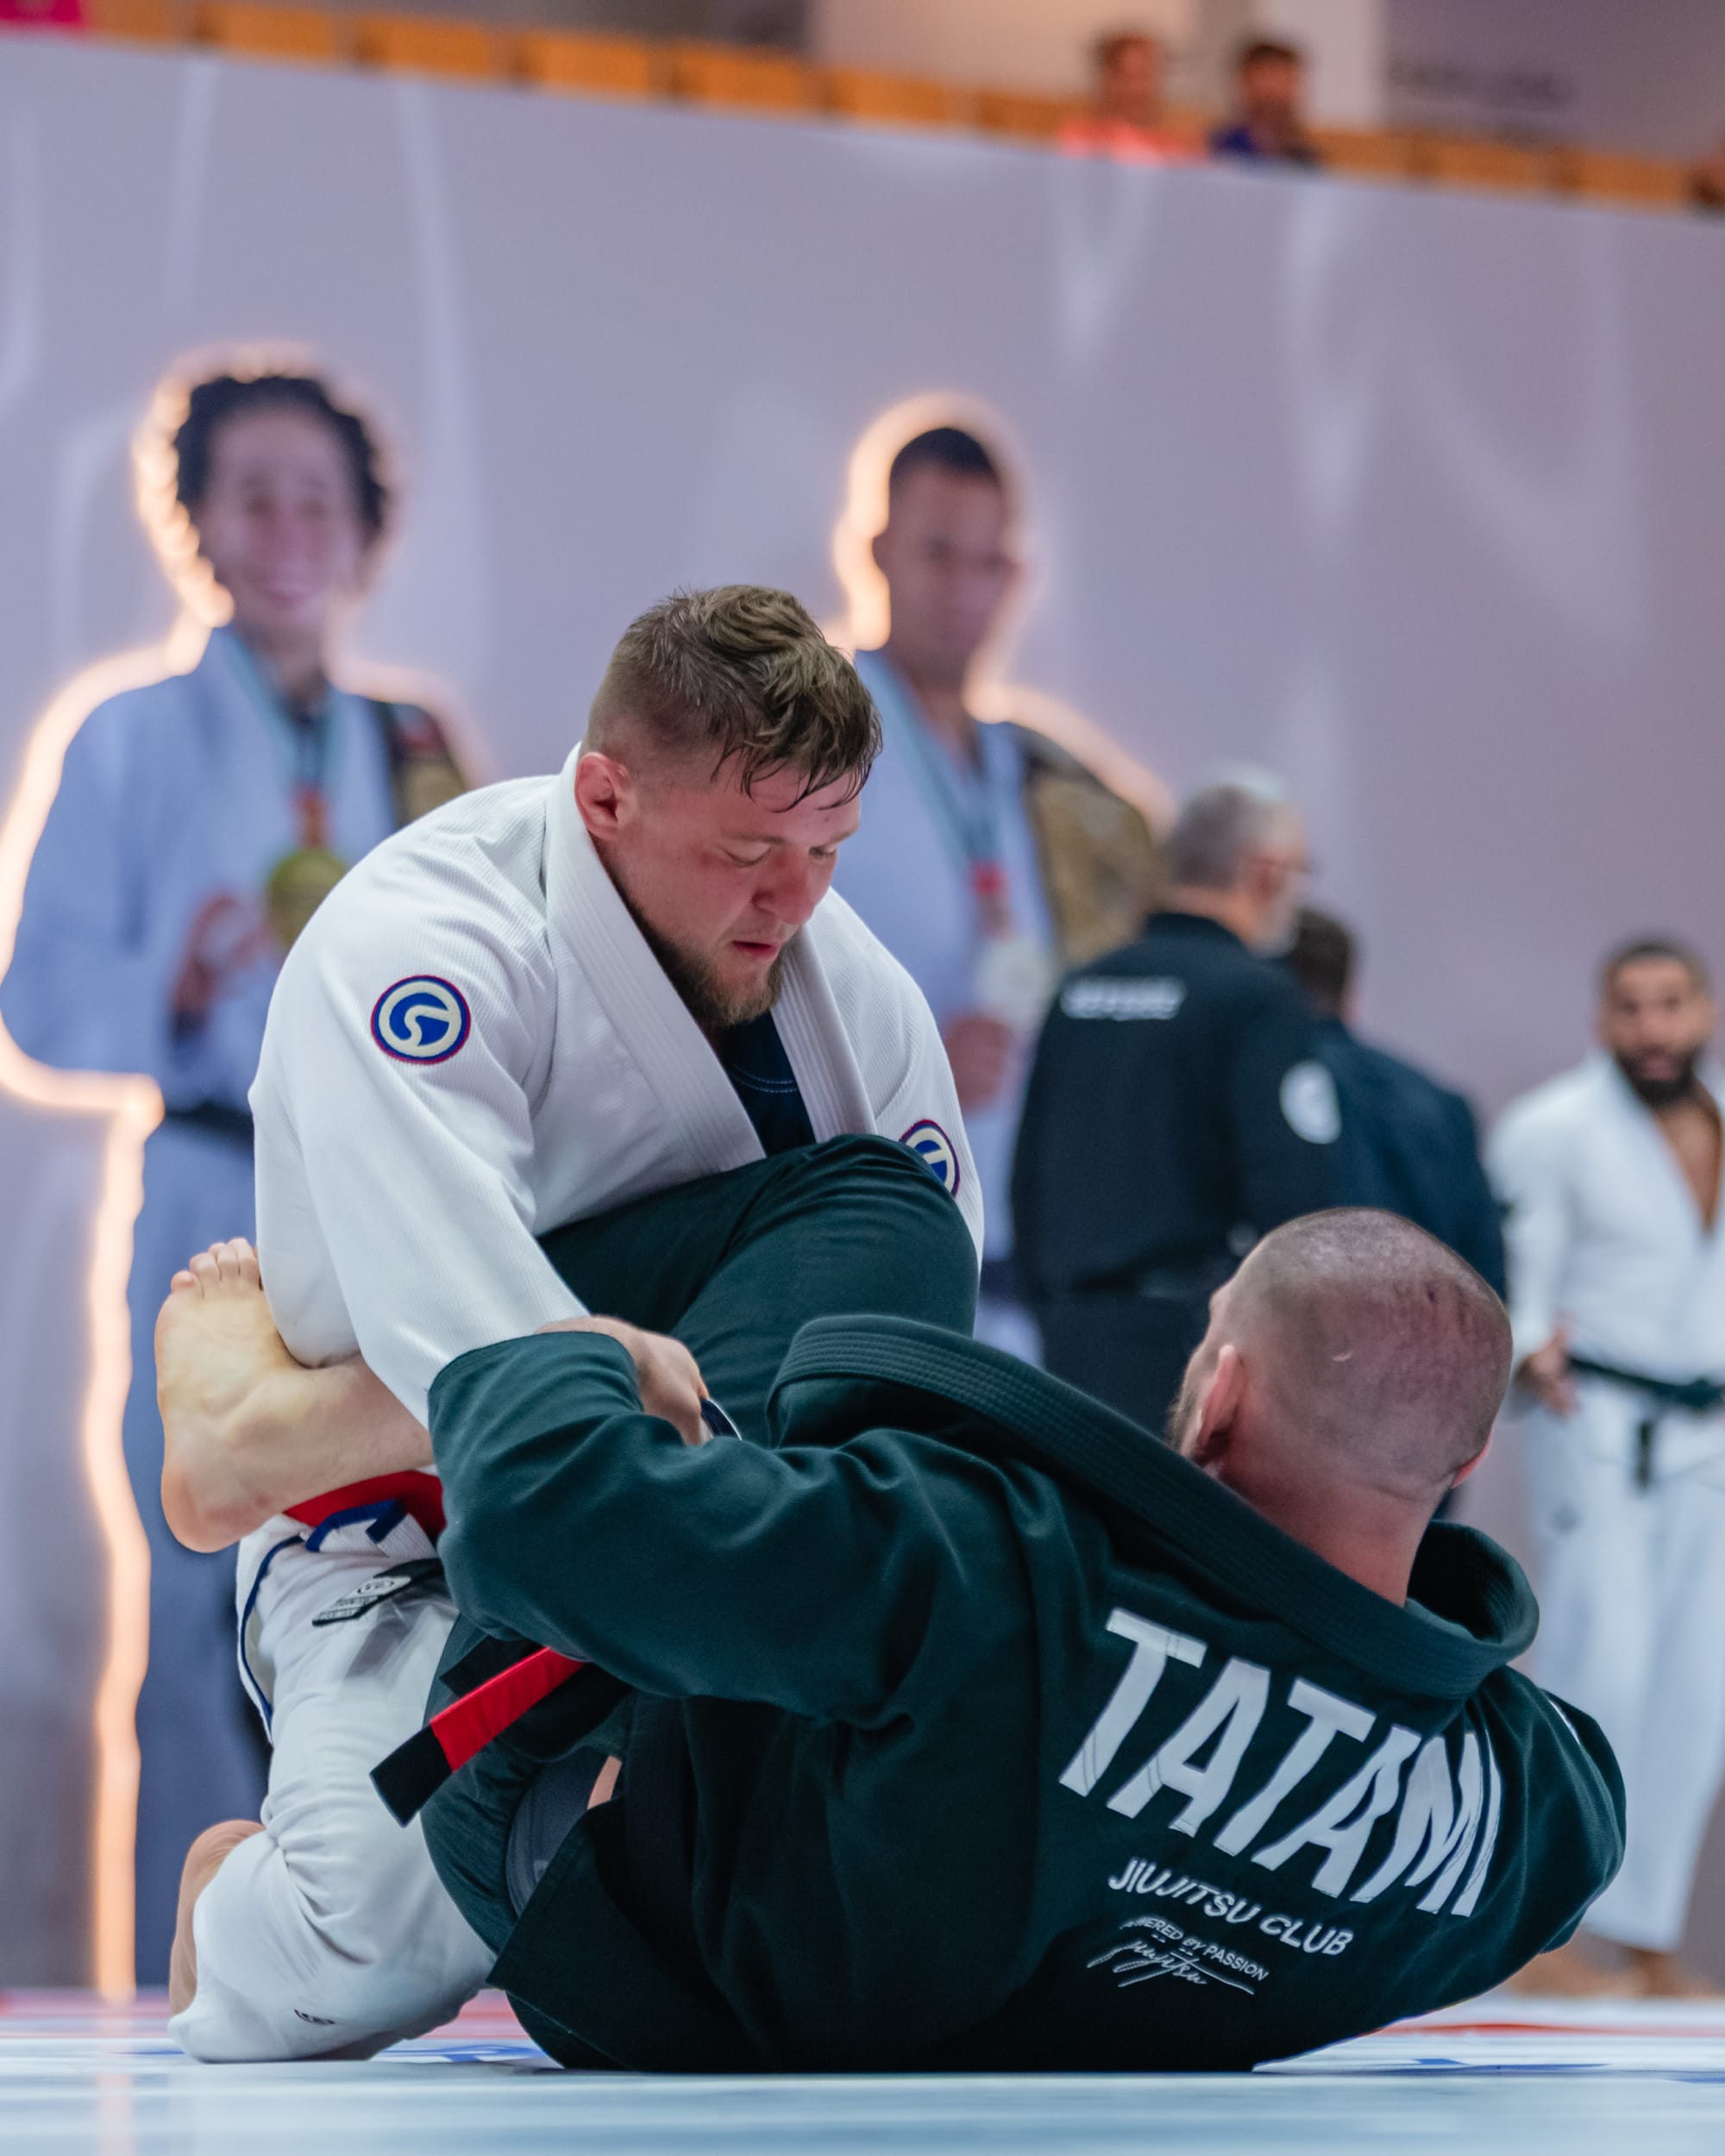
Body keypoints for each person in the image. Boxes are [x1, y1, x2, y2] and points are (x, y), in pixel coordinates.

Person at [157, 585, 981, 2063]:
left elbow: (906, 1349)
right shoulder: (423, 941)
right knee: (364, 1956)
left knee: (889, 1221)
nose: (794, 903)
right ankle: (243, 1877)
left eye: (827, 851)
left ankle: (260, 1429)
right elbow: (517, 1414)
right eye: (747, 854)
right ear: (604, 798)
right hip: (403, 1537)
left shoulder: (855, 998)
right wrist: (625, 1377)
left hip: (707, 1520)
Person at [324, 1186, 1615, 2070]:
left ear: (1219, 1392)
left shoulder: (1007, 1567)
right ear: (1463, 1459)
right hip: (815, 1972)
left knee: (877, 1210)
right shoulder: (1528, 1817)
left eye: (1207, 1339)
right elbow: (1569, 1797)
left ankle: (318, 1461)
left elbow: (542, 1516)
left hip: (584, 1866)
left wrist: (587, 1353)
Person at [0, 363, 465, 1982]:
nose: (286, 530)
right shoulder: (129, 735)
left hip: (395, 1203)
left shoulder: (414, 748)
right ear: (196, 521)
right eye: (252, 496)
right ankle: (189, 1974)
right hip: (219, 1197)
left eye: (315, 499)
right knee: (208, 1593)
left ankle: (385, 1960)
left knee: (402, 1577)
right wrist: (178, 986)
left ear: (363, 531)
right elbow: (36, 996)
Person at [833, 424, 1159, 1359]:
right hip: (866, 1247)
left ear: (1014, 577)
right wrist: (912, 1063)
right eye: (937, 553)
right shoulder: (810, 737)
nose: (961, 590)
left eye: (986, 563)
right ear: (876, 551)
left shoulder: (1048, 782)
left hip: (1026, 1261)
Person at [1489, 937, 1725, 1998]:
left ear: (1703, 1011)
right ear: (1600, 1020)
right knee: (1602, 1664)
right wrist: (1526, 1346)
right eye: (1630, 1007)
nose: (1651, 1028)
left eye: (1669, 1004)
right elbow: (1517, 1275)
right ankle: (1539, 1929)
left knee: (1696, 1689)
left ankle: (1642, 1935)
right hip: (1591, 1417)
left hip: (1704, 1432)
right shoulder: (1550, 1128)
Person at [1013, 774, 1340, 1426]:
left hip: (1068, 1340)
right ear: (1266, 873)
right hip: (1192, 1347)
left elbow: (1028, 1177)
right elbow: (1297, 1196)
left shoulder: (1080, 988)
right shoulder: (1257, 998)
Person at [1284, 909, 1504, 1296]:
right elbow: (1485, 1270)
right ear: (1350, 995)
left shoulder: (1261, 1093)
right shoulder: (1440, 1101)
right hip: (1422, 1324)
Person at [1057, 29, 1193, 165]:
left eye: (1146, 77)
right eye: (1129, 77)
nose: (1138, 89)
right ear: (1107, 79)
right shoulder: (1080, 138)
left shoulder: (1175, 150)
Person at [1209, 38, 1322, 168]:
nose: (1279, 93)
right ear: (1246, 84)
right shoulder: (1218, 152)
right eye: (1271, 81)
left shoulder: (1305, 159)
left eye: (1287, 81)